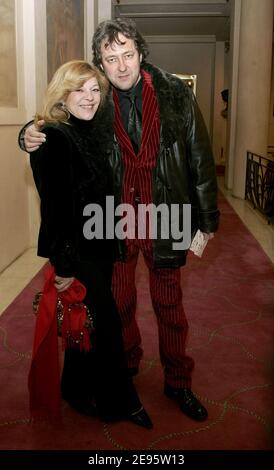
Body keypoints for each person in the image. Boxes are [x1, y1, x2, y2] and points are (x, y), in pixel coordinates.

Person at [19, 19, 220, 422]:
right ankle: (123, 370)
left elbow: (199, 154)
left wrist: (206, 217)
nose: (122, 66)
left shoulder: (174, 92)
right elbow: (62, 123)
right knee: (118, 301)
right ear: (101, 63)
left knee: (170, 304)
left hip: (168, 213)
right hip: (113, 218)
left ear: (141, 53)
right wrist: (27, 132)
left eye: (127, 55)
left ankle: (178, 381)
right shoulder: (98, 96)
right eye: (111, 59)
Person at [27, 59, 152, 429]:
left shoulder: (89, 129)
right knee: (108, 326)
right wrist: (63, 266)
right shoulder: (56, 137)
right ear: (62, 95)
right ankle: (122, 402)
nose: (89, 97)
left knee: (88, 323)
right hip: (76, 252)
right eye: (79, 89)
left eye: (95, 89)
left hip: (99, 243)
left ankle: (75, 387)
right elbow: (55, 209)